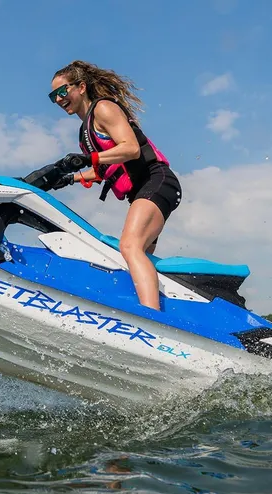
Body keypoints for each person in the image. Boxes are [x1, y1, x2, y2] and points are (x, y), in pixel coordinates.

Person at [49, 60, 182, 311]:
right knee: (141, 255)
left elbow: (130, 149)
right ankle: (169, 309)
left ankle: (151, 319)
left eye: (62, 91)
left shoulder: (104, 109)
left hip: (157, 181)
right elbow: (102, 171)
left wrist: (89, 159)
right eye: (53, 96)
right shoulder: (84, 132)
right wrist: (69, 178)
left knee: (129, 246)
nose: (58, 99)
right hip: (143, 191)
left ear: (81, 87)